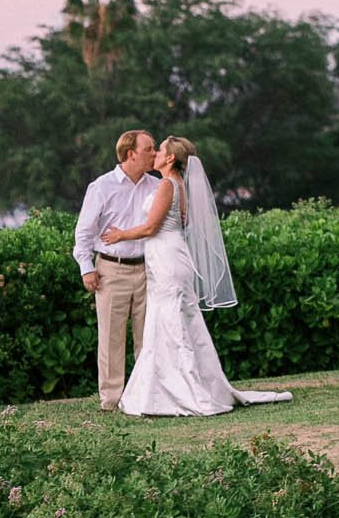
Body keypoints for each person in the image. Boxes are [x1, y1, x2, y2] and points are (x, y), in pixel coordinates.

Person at [101, 137, 293, 418]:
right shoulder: (177, 184)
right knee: (168, 321)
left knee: (171, 322)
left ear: (169, 159)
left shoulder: (168, 184)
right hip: (168, 256)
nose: (154, 154)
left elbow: (151, 227)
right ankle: (162, 390)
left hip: (167, 258)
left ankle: (188, 391)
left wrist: (120, 235)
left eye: (159, 151)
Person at [74, 129, 157, 410]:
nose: (154, 154)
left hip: (148, 270)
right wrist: (87, 268)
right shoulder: (101, 187)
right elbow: (84, 233)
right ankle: (111, 399)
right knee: (111, 338)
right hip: (111, 269)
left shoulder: (156, 186)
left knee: (148, 336)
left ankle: (145, 395)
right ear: (130, 153)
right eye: (149, 149)